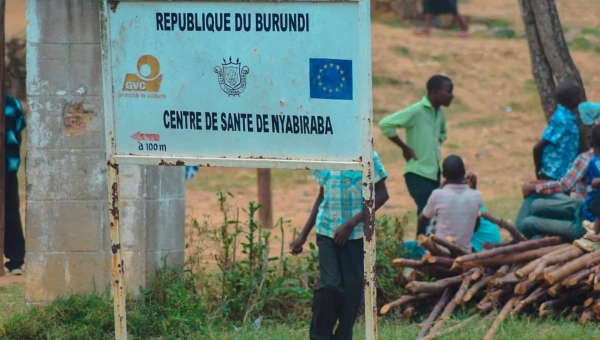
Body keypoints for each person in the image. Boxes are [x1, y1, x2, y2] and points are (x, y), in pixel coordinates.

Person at [289, 151, 389, 340]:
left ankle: (343, 336)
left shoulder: (367, 153)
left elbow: (383, 195)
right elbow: (321, 197)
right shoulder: (329, 152)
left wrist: (352, 223)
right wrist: (303, 235)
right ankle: (319, 336)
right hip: (326, 231)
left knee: (352, 292)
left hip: (355, 236)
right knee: (329, 286)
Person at [378, 75, 452, 237]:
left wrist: (435, 145)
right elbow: (385, 124)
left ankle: (427, 247)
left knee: (430, 211)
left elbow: (443, 132)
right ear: (435, 92)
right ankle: (423, 246)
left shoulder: (439, 113)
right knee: (427, 210)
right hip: (417, 172)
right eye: (448, 91)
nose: (452, 95)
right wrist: (404, 147)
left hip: (433, 172)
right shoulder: (417, 110)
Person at [518, 124, 600, 242]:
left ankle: (519, 238)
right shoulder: (591, 160)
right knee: (537, 205)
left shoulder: (588, 161)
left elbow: (565, 185)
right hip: (583, 209)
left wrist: (595, 233)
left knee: (528, 222)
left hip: (585, 225)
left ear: (590, 139)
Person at [403, 155, 489, 258]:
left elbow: (421, 220)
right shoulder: (476, 195)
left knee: (401, 247)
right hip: (464, 253)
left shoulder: (438, 195)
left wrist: (440, 187)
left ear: (443, 175)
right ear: (464, 172)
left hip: (438, 252)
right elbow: (475, 227)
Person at [533, 81, 582, 181]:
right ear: (573, 99)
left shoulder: (570, 117)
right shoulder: (561, 120)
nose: (581, 98)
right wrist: (539, 171)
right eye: (579, 95)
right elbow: (538, 147)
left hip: (565, 175)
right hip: (553, 174)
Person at [4, 94, 26, 275]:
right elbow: (20, 128)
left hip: (8, 166)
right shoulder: (13, 103)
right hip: (9, 165)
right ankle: (16, 260)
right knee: (11, 210)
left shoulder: (11, 104)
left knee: (11, 210)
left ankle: (16, 259)